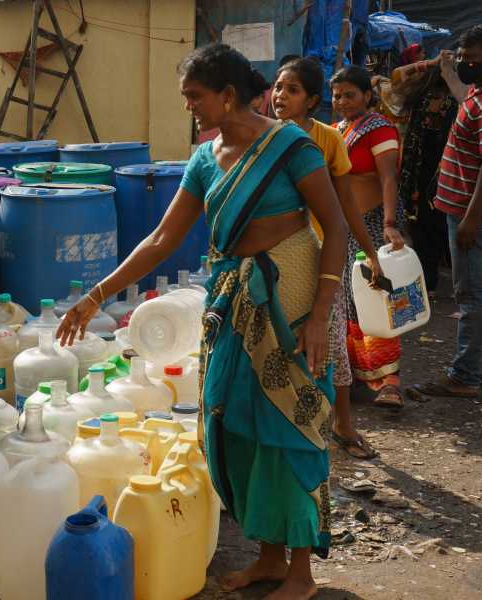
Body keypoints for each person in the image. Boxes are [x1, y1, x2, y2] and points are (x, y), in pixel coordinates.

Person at [59, 43, 347, 600]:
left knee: (288, 427)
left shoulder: (290, 147)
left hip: (290, 298)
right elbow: (162, 239)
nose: (188, 106)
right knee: (233, 422)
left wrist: (320, 313)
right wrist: (96, 295)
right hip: (231, 301)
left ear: (228, 95)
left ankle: (301, 573)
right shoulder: (204, 158)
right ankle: (268, 556)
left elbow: (333, 225)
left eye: (194, 96)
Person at [272, 58, 382, 460]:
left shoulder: (327, 139)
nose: (280, 96)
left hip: (324, 256)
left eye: (292, 90)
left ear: (313, 100)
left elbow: (346, 203)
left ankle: (343, 424)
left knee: (331, 341)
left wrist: (371, 251)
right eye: (278, 87)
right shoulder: (261, 138)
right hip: (275, 259)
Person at [408, 25, 482, 400]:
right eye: (463, 57)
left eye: (472, 59)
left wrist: (471, 218)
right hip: (462, 210)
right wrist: (448, 73)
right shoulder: (477, 93)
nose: (466, 64)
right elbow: (462, 96)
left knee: (470, 295)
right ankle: (479, 365)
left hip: (470, 214)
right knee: (479, 292)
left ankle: (465, 375)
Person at [332, 66, 406, 410]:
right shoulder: (338, 130)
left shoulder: (379, 129)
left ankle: (391, 381)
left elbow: (388, 179)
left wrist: (390, 224)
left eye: (350, 94)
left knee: (377, 298)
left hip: (375, 224)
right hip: (346, 227)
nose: (342, 101)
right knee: (348, 299)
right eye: (337, 95)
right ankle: (360, 375)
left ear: (367, 95)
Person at [394, 54, 460, 292]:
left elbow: (397, 76)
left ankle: (443, 279)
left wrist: (439, 69)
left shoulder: (459, 100)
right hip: (419, 177)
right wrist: (431, 63)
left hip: (444, 177)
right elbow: (395, 78)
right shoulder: (420, 99)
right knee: (423, 228)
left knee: (438, 228)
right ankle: (429, 281)